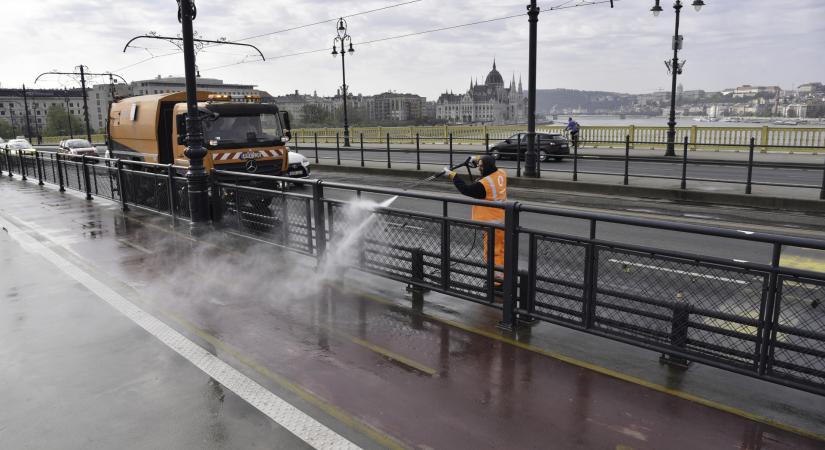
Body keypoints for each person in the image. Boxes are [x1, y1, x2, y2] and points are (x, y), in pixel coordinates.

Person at [443, 155, 507, 288]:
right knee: (500, 250)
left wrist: (453, 175)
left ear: (487, 167)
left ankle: (497, 282)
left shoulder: (485, 184)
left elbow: (466, 190)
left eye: (481, 166)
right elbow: (489, 158)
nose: (479, 168)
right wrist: (475, 158)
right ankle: (502, 276)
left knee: (492, 253)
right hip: (501, 219)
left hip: (491, 223)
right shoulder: (501, 173)